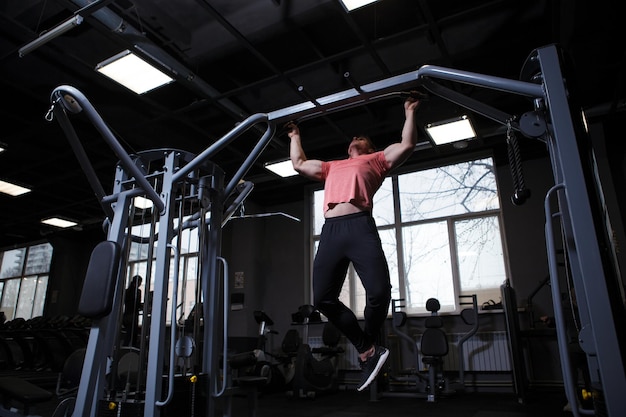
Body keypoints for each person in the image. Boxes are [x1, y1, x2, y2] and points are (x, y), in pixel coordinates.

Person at [287, 94, 421, 391]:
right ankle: (368, 350)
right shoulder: (332, 166)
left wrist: (409, 111)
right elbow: (298, 163)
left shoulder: (376, 161)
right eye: (352, 140)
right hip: (332, 230)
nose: (355, 140)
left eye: (362, 139)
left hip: (360, 226)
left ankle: (370, 346)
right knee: (322, 298)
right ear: (347, 149)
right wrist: (295, 134)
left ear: (369, 149)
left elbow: (407, 144)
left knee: (379, 291)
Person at [123, 275, 143, 347]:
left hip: (127, 315)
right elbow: (136, 304)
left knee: (128, 335)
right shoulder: (137, 292)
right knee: (133, 335)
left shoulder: (127, 291)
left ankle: (125, 349)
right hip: (132, 316)